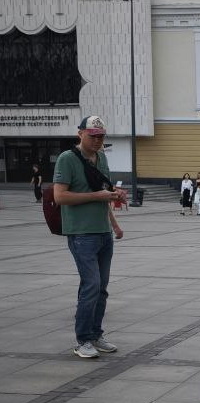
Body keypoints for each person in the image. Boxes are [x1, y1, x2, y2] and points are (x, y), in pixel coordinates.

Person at [53, 115, 126, 359]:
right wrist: (98, 196)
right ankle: (82, 339)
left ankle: (96, 334)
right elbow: (60, 197)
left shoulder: (101, 157)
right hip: (81, 232)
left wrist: (114, 223)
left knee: (102, 287)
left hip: (102, 232)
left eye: (101, 136)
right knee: (91, 285)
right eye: (93, 135)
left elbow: (103, 193)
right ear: (80, 134)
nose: (97, 140)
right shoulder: (67, 159)